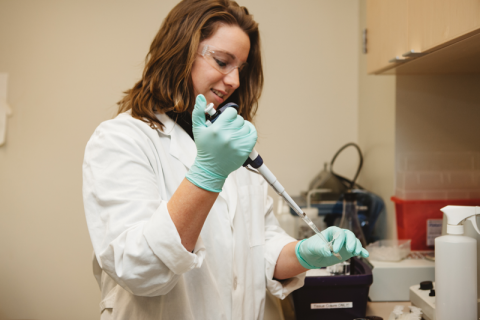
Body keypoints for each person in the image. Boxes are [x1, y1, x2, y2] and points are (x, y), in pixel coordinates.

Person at [82, 0, 369, 319]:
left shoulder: (231, 149)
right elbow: (139, 268)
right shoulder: (122, 139)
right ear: (180, 54)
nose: (234, 81)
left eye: (241, 69)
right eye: (222, 61)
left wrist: (305, 254)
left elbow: (262, 248)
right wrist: (208, 173)